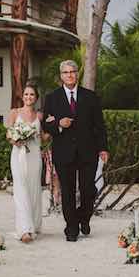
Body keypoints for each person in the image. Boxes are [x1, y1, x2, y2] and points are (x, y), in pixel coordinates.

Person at [43, 60, 108, 242]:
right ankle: (71, 227)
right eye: (66, 72)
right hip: (64, 153)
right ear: (61, 76)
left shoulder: (91, 97)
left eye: (72, 72)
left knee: (89, 190)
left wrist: (103, 148)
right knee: (68, 191)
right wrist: (59, 124)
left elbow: (99, 125)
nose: (70, 75)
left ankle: (84, 218)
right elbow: (45, 125)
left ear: (77, 74)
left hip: (88, 151)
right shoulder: (52, 98)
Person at [7, 83, 45, 242]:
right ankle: (24, 230)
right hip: (18, 156)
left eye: (32, 95)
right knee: (20, 189)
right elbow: (8, 135)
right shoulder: (14, 113)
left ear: (36, 98)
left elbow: (43, 137)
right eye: (26, 94)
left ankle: (34, 224)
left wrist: (57, 128)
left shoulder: (40, 116)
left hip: (34, 155)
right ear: (22, 97)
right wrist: (16, 140)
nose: (28, 97)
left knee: (34, 189)